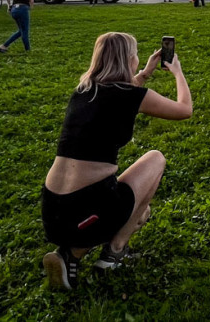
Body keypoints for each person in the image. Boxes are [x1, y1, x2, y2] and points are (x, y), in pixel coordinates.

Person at [42, 32, 192, 289]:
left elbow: (120, 91)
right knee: (153, 166)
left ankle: (71, 254)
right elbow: (184, 110)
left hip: (52, 211)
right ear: (128, 59)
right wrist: (177, 73)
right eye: (134, 54)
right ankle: (113, 252)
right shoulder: (131, 96)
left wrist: (146, 72)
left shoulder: (82, 91)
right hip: (88, 207)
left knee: (133, 210)